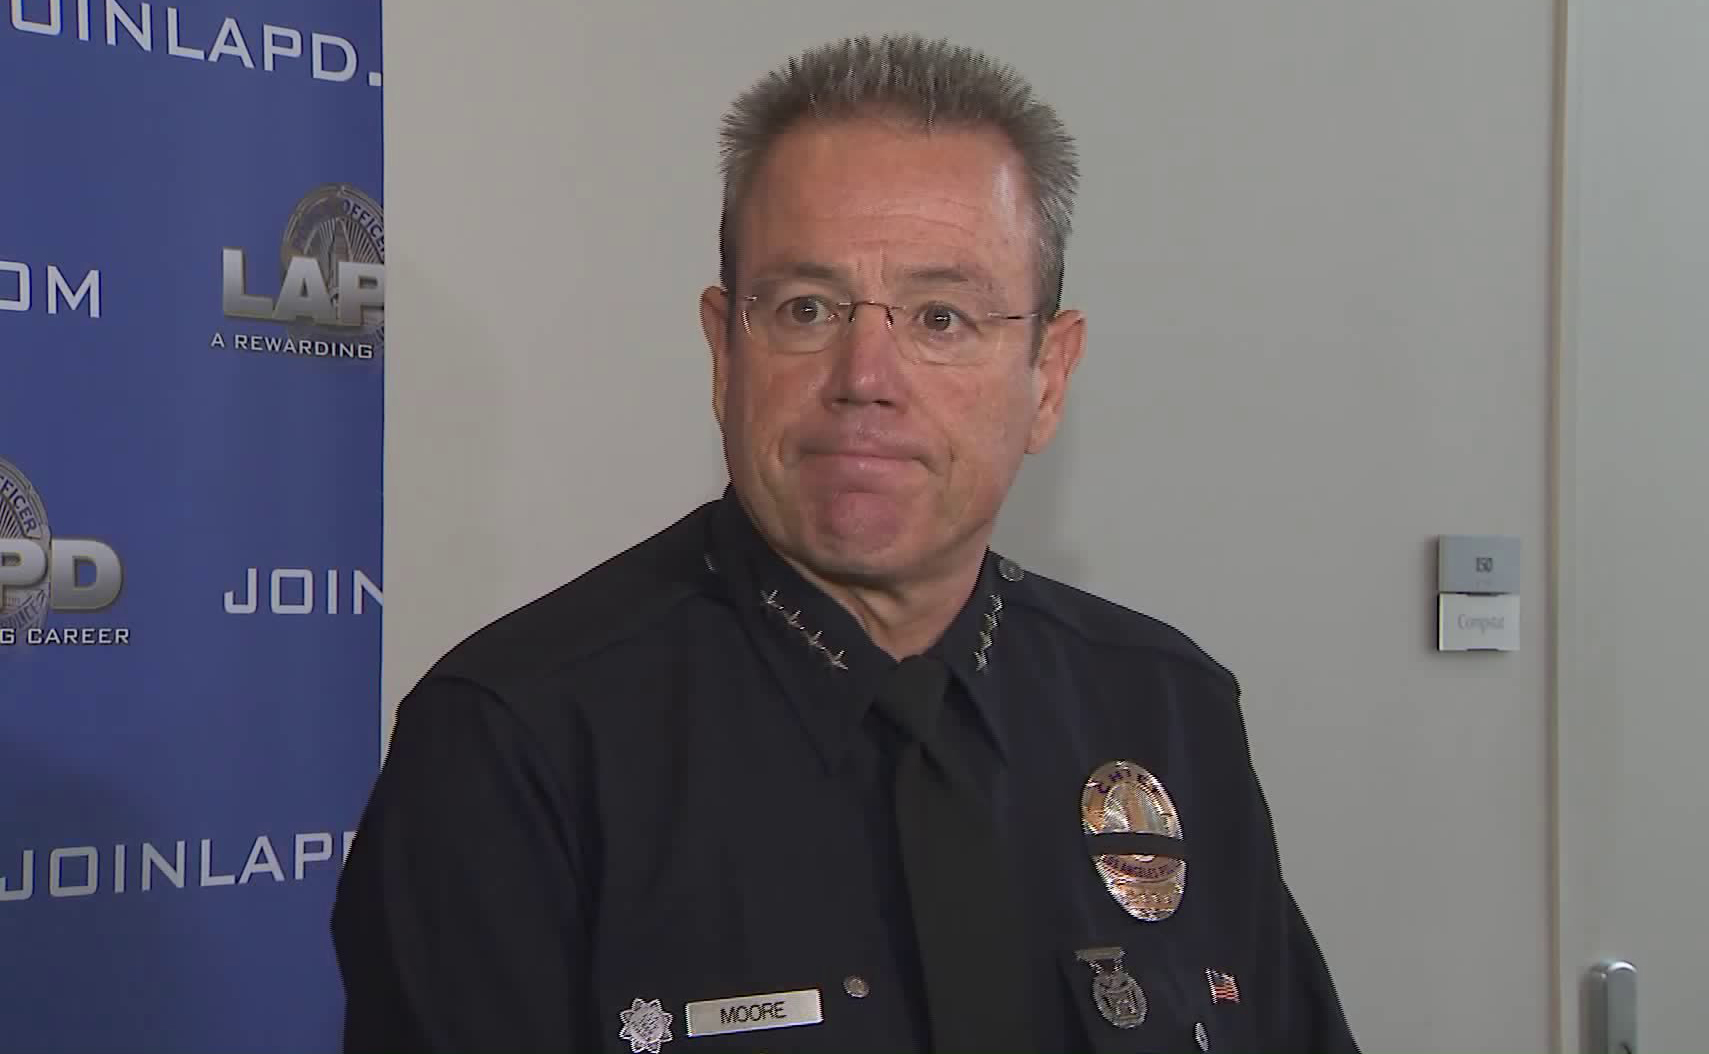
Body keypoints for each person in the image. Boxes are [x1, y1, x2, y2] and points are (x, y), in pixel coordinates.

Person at [331, 33, 1359, 1054]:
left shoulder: (1170, 710)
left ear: (1047, 375)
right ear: (724, 352)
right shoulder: (515, 747)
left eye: (941, 317)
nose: (864, 374)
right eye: (806, 307)